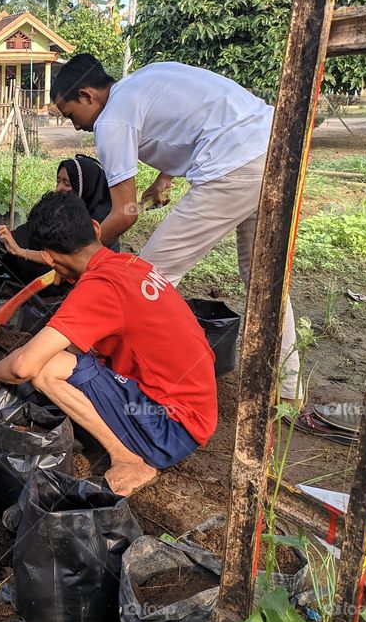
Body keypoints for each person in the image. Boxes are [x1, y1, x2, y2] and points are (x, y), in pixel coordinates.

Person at [50, 54, 300, 401]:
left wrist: (77, 255)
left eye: (70, 115)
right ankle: (287, 393)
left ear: (87, 96)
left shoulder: (112, 120)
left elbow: (125, 213)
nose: (75, 126)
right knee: (264, 282)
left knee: (150, 279)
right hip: (279, 145)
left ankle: (142, 382)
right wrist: (165, 177)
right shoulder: (146, 78)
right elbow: (192, 118)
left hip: (234, 166)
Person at [0, 192, 217, 496]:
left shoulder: (98, 290)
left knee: (45, 369)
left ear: (50, 259)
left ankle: (130, 460)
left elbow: (22, 367)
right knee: (69, 350)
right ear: (95, 228)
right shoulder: (129, 264)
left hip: (173, 428)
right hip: (198, 408)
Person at [0, 153, 114, 283]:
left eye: (67, 184)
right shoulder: (61, 210)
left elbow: (66, 257)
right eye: (58, 181)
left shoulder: (105, 223)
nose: (59, 188)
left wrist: (21, 252)